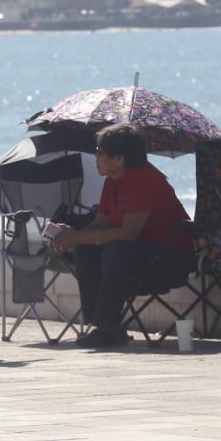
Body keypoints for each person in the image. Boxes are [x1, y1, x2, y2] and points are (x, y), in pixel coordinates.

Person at [48, 123, 195, 348]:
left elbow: (128, 233)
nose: (95, 158)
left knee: (116, 251)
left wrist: (77, 237)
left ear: (119, 159)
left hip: (168, 260)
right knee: (86, 249)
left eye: (100, 153)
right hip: (138, 256)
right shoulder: (112, 181)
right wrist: (72, 235)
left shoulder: (144, 181)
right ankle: (104, 325)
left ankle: (107, 327)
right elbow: (100, 223)